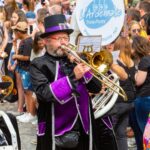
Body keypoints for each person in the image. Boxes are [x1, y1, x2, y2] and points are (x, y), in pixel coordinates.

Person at [30, 14, 102, 150]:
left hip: (83, 128)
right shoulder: (39, 64)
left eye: (66, 38)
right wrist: (74, 77)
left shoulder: (75, 60)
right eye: (59, 38)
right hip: (56, 129)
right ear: (46, 41)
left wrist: (84, 66)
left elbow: (96, 88)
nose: (64, 43)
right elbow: (44, 94)